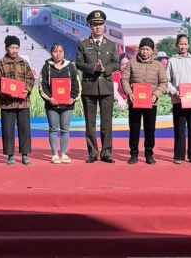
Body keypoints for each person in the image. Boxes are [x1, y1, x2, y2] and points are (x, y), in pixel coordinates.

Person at [75, 9, 121, 163]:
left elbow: (116, 63)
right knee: (90, 124)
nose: (98, 27)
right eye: (95, 24)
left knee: (106, 124)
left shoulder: (111, 44)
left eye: (100, 24)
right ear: (90, 26)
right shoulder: (83, 44)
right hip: (90, 87)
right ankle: (92, 153)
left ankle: (106, 153)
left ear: (104, 26)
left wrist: (104, 69)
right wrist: (93, 68)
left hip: (106, 88)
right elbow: (79, 63)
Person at [120, 38, 168, 165]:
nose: (145, 52)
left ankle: (149, 154)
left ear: (152, 51)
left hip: (151, 102)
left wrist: (156, 95)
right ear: (139, 49)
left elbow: (163, 82)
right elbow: (124, 79)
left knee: (150, 129)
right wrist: (129, 93)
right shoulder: (131, 63)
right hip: (134, 101)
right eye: (143, 49)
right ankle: (133, 154)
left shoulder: (158, 65)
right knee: (134, 128)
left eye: (148, 49)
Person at [0, 35, 36, 166]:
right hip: (7, 103)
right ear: (7, 48)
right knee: (7, 130)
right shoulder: (1, 63)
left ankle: (24, 155)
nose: (14, 50)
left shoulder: (24, 62)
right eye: (12, 47)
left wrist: (27, 89)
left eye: (17, 48)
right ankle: (10, 155)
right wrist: (5, 91)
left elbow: (30, 79)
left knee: (25, 129)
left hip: (23, 102)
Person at [166, 33, 191, 164]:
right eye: (180, 44)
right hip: (179, 100)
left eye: (185, 44)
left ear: (188, 45)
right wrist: (174, 91)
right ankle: (178, 156)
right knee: (179, 128)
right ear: (176, 45)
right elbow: (166, 80)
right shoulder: (172, 61)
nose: (183, 46)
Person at [38, 43, 80, 164]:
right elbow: (42, 85)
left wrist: (73, 98)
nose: (58, 54)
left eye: (60, 51)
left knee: (65, 129)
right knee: (53, 129)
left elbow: (76, 85)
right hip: (52, 104)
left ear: (63, 53)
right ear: (51, 53)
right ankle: (55, 154)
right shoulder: (46, 67)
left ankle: (63, 153)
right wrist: (49, 98)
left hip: (67, 105)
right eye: (55, 51)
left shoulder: (70, 67)